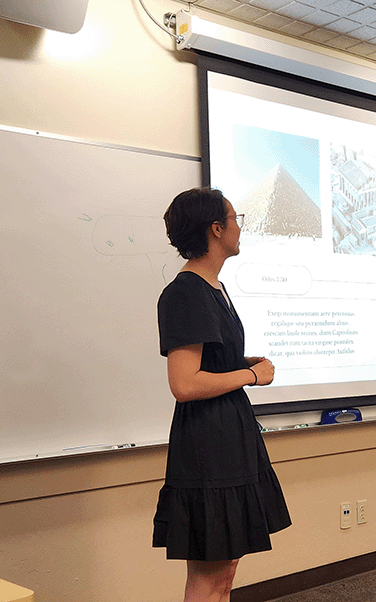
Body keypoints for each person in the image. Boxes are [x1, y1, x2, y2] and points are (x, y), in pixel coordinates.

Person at [153, 187, 291, 602]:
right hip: (207, 445)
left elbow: (208, 361)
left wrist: (238, 360)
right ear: (216, 229)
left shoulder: (214, 288)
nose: (238, 226)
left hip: (229, 437)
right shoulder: (185, 292)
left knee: (226, 571)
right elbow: (185, 383)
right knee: (210, 576)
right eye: (234, 218)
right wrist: (249, 373)